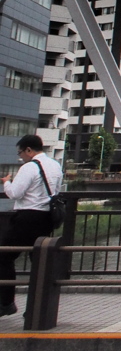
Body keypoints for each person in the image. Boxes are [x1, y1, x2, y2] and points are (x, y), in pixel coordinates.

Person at [1, 135, 63, 318]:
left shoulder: (29, 167)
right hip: (47, 218)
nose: (21, 157)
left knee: (4, 257)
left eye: (21, 153)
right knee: (40, 261)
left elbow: (15, 193)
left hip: (27, 217)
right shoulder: (55, 165)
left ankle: (6, 303)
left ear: (29, 150)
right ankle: (36, 309)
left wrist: (6, 183)